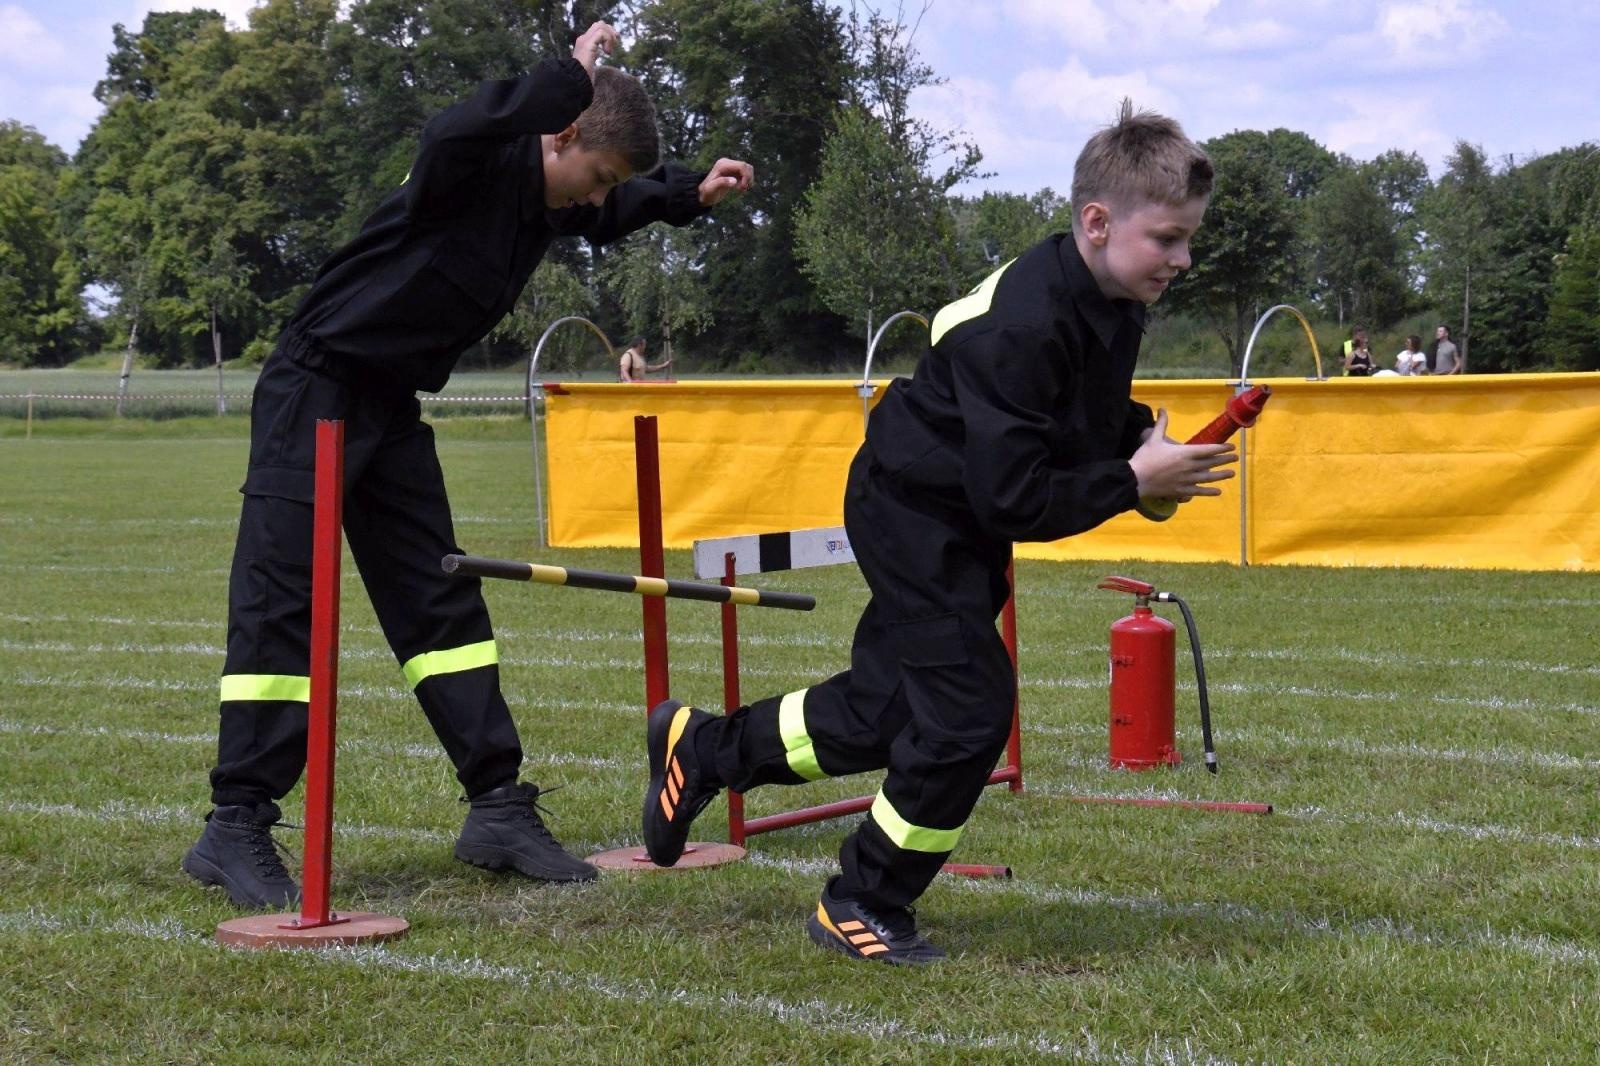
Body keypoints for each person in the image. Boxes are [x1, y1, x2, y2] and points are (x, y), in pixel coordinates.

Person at [638, 101, 1235, 964]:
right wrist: (1131, 481)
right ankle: (863, 898)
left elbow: (1069, 420)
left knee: (887, 709)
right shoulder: (1025, 322)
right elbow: (1015, 498)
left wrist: (1141, 446)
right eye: (1168, 239)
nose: (1182, 260)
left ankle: (701, 749)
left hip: (956, 511)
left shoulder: (1113, 298)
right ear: (1097, 222)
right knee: (967, 713)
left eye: (1188, 240)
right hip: (912, 510)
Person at [181, 22, 754, 910]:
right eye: (597, 173)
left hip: (390, 405)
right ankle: (236, 823)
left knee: (441, 598)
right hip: (316, 387)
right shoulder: (470, 165)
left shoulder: (543, 202)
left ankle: (497, 806)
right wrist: (565, 77)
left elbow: (608, 210)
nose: (594, 197)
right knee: (281, 598)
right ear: (561, 132)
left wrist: (688, 194)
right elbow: (456, 125)